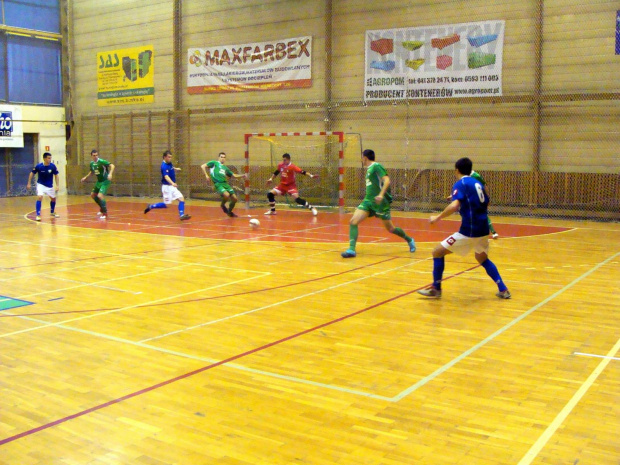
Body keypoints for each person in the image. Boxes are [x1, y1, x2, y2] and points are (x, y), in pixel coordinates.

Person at [418, 157, 510, 299]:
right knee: (482, 258)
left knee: (437, 252)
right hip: (483, 229)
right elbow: (486, 200)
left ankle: (436, 289)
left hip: (469, 230)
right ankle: (503, 289)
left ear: (457, 170)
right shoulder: (477, 183)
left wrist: (437, 217)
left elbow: (454, 206)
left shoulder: (460, 183)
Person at [341, 149, 416, 258]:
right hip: (368, 201)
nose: (361, 159)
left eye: (362, 157)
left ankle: (409, 239)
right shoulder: (368, 169)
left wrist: (381, 194)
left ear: (365, 158)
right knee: (353, 221)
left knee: (391, 228)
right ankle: (351, 250)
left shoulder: (376, 166)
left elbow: (387, 180)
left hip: (381, 202)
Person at [144, 150, 191, 220]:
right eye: (169, 157)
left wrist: (175, 169)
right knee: (167, 204)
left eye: (171, 157)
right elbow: (166, 177)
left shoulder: (169, 163)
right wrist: (172, 183)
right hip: (167, 187)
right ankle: (151, 206)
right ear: (164, 157)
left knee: (181, 199)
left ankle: (182, 215)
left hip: (172, 187)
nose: (170, 158)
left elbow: (171, 168)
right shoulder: (164, 166)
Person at [201, 152, 246, 217]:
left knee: (235, 199)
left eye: (224, 157)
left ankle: (229, 212)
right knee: (226, 195)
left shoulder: (225, 168)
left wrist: (243, 175)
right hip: (218, 184)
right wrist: (206, 175)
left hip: (225, 184)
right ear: (219, 157)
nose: (223, 158)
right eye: (221, 157)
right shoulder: (214, 163)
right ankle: (222, 205)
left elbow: (234, 175)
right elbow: (202, 166)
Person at [81, 149, 114, 219]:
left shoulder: (101, 162)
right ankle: (102, 208)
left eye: (96, 155)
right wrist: (85, 177)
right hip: (99, 182)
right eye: (94, 155)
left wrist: (110, 174)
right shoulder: (92, 163)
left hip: (105, 181)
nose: (95, 156)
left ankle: (105, 213)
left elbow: (112, 165)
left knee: (100, 196)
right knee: (93, 195)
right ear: (91, 156)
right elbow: (92, 172)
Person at [27, 152, 60, 221]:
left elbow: (56, 175)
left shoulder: (52, 166)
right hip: (41, 184)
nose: (50, 159)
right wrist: (29, 183)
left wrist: (57, 185)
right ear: (44, 158)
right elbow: (32, 173)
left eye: (50, 158)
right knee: (40, 197)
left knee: (53, 199)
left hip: (49, 186)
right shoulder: (39, 166)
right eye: (48, 158)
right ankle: (38, 215)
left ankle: (52, 212)